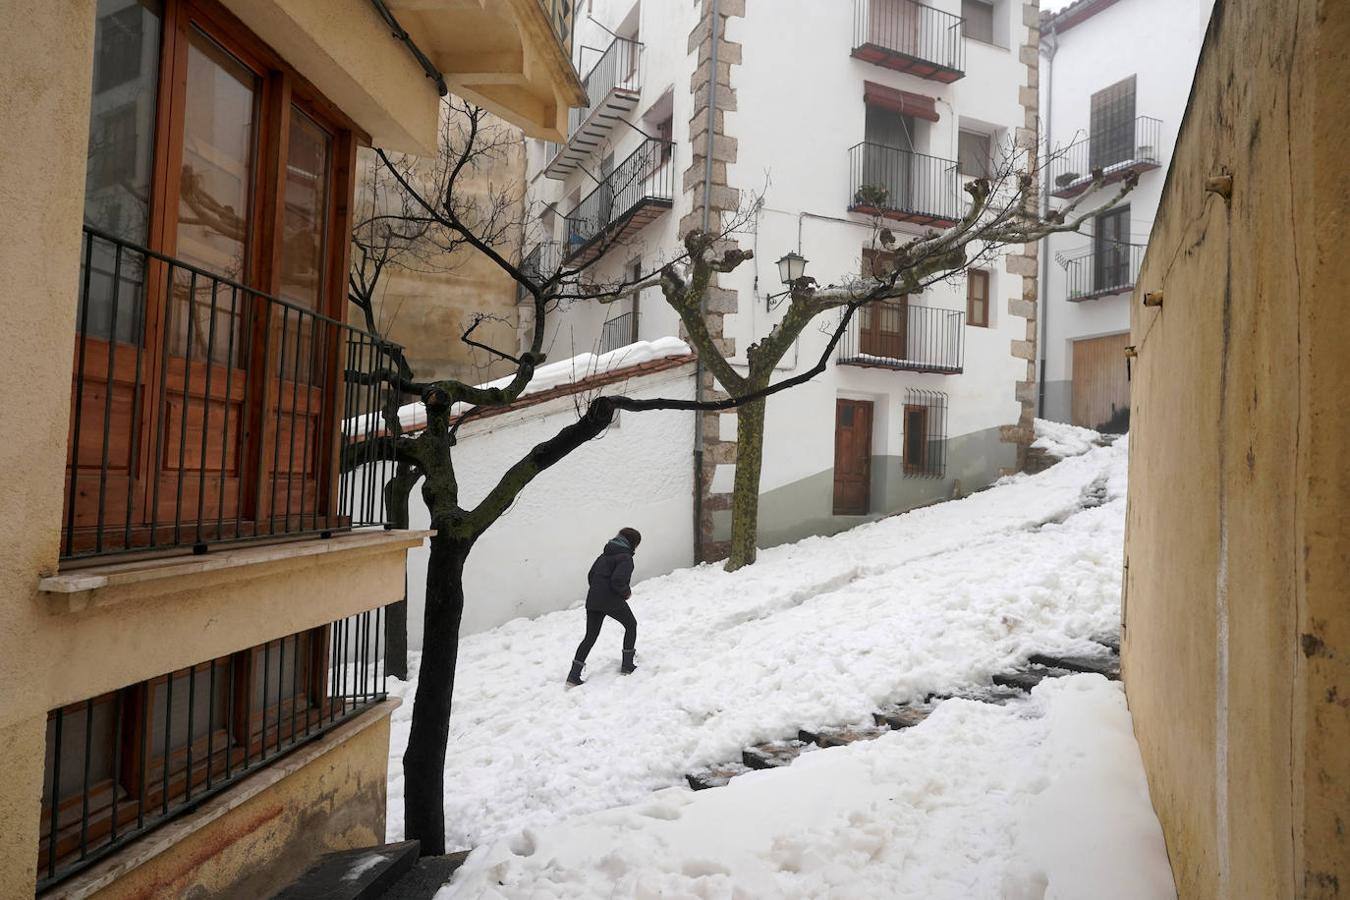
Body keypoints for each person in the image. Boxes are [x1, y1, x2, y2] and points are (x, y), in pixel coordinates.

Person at [566, 527, 641, 686]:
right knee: (631, 625)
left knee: (590, 637)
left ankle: (573, 675)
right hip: (611, 600)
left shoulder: (605, 554)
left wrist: (598, 591)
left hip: (593, 599)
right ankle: (627, 665)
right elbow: (618, 580)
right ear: (633, 543)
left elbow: (591, 575)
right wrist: (625, 593)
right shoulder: (625, 557)